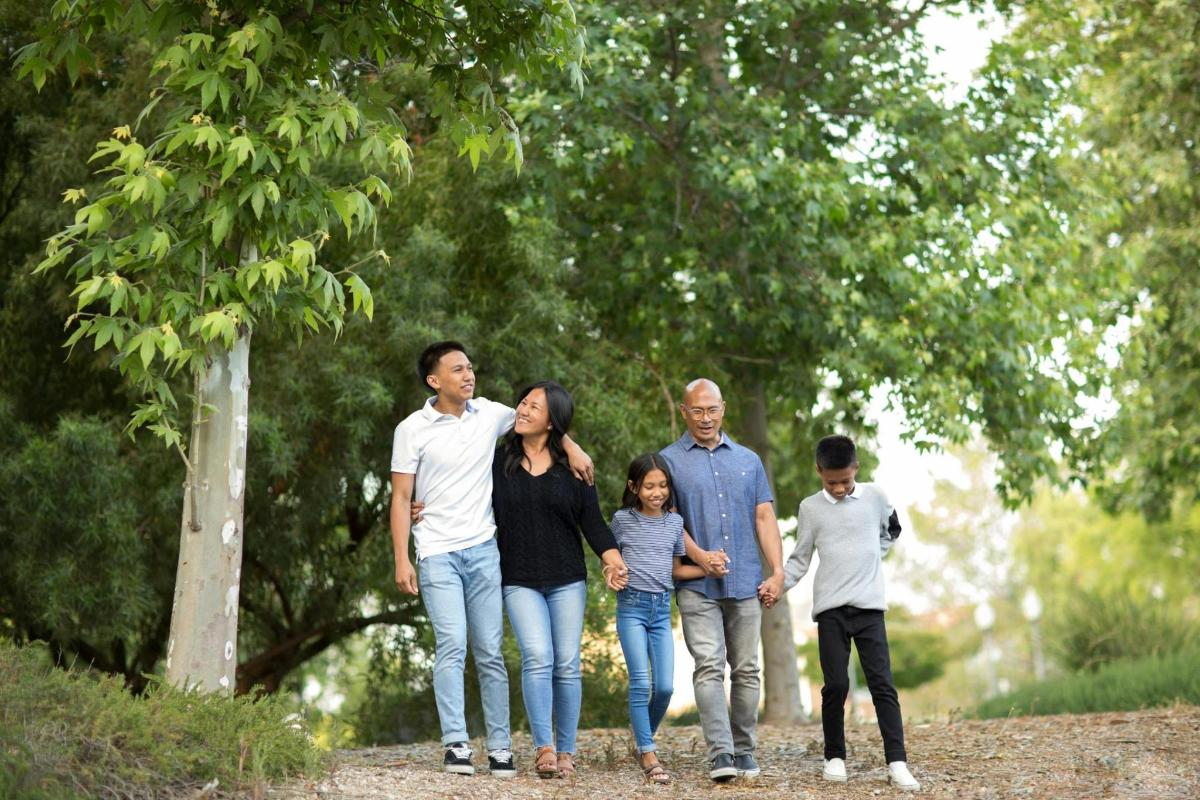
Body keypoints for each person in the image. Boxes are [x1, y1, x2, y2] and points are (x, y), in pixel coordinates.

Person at [389, 341, 594, 778]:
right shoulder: (411, 429)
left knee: (489, 652)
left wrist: (572, 447)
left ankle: (500, 746)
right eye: (458, 369)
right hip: (436, 552)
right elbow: (402, 496)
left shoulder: (491, 413)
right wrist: (401, 558)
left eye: (470, 367)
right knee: (452, 646)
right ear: (434, 380)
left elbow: (540, 420)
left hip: (484, 550)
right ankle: (456, 744)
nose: (469, 375)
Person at [491, 380, 630, 779]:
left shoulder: (576, 468)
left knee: (567, 664)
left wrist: (612, 561)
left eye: (535, 407)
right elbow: (466, 496)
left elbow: (594, 523)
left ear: (553, 421)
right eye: (523, 402)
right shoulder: (499, 461)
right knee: (537, 657)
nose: (523, 409)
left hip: (568, 579)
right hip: (518, 578)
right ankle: (544, 747)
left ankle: (567, 749)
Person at [771, 434, 920, 791]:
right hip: (831, 610)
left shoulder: (876, 497)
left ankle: (897, 762)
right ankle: (834, 756)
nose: (839, 488)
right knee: (835, 685)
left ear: (856, 469)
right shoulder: (810, 508)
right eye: (831, 481)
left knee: (882, 683)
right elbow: (800, 558)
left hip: (869, 608)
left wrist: (872, 556)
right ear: (819, 471)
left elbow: (891, 530)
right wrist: (778, 585)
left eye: (845, 480)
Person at [658, 378, 785, 782]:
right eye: (697, 410)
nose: (706, 418)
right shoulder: (669, 461)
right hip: (697, 585)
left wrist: (777, 572)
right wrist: (700, 558)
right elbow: (668, 520)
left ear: (723, 409)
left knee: (747, 669)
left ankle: (745, 749)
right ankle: (721, 754)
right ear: (684, 411)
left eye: (712, 409)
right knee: (709, 666)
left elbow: (764, 517)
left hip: (746, 579)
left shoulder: (748, 460)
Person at [609, 453, 706, 785]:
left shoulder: (675, 523)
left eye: (663, 485)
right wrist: (613, 573)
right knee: (640, 682)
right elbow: (612, 563)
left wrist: (709, 566)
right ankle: (649, 754)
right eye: (649, 486)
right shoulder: (622, 520)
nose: (657, 492)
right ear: (634, 487)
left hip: (662, 611)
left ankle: (641, 738)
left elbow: (678, 569)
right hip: (632, 609)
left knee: (664, 687)